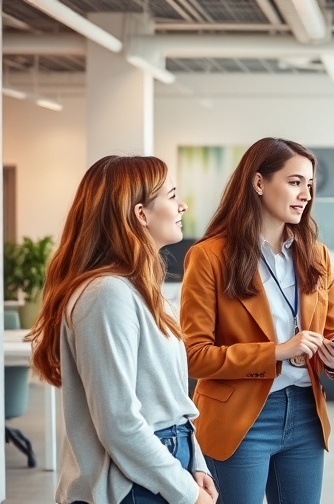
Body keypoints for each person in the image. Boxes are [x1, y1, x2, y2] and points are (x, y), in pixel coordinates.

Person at [26, 156, 217, 504]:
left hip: (166, 461)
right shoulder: (107, 294)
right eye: (172, 196)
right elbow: (119, 422)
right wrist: (187, 491)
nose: (182, 205)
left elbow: (171, 399)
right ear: (141, 214)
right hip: (132, 481)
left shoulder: (140, 288)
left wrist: (197, 464)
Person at [180, 137, 334, 503]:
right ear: (259, 183)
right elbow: (194, 355)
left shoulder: (317, 255)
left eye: (309, 185)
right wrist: (276, 351)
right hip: (239, 419)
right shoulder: (209, 256)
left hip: (306, 414)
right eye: (294, 182)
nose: (305, 194)